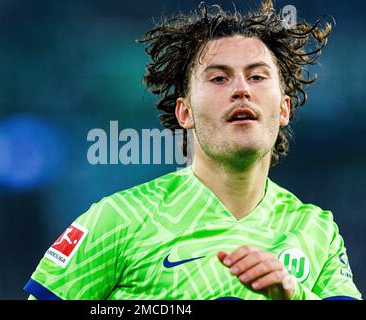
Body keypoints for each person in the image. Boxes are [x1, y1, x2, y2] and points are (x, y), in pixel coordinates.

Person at [23, 0, 362, 300]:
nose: (241, 90)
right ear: (184, 112)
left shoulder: (317, 231)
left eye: (257, 77)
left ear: (284, 108)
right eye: (219, 78)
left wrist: (292, 295)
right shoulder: (119, 219)